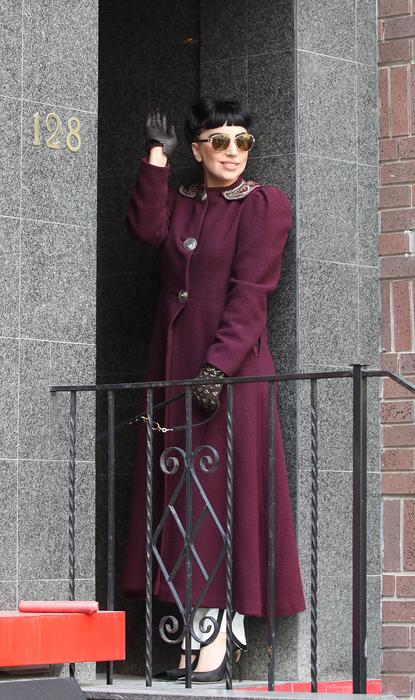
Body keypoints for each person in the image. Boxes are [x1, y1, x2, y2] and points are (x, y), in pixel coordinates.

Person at [121, 98, 306, 682]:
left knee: (222, 500)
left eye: (242, 142)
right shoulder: (181, 201)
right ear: (198, 148)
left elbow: (253, 292)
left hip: (230, 376)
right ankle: (188, 637)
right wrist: (156, 159)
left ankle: (220, 639)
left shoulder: (264, 204)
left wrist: (217, 367)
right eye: (219, 141)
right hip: (174, 369)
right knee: (181, 501)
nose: (232, 152)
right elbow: (146, 230)